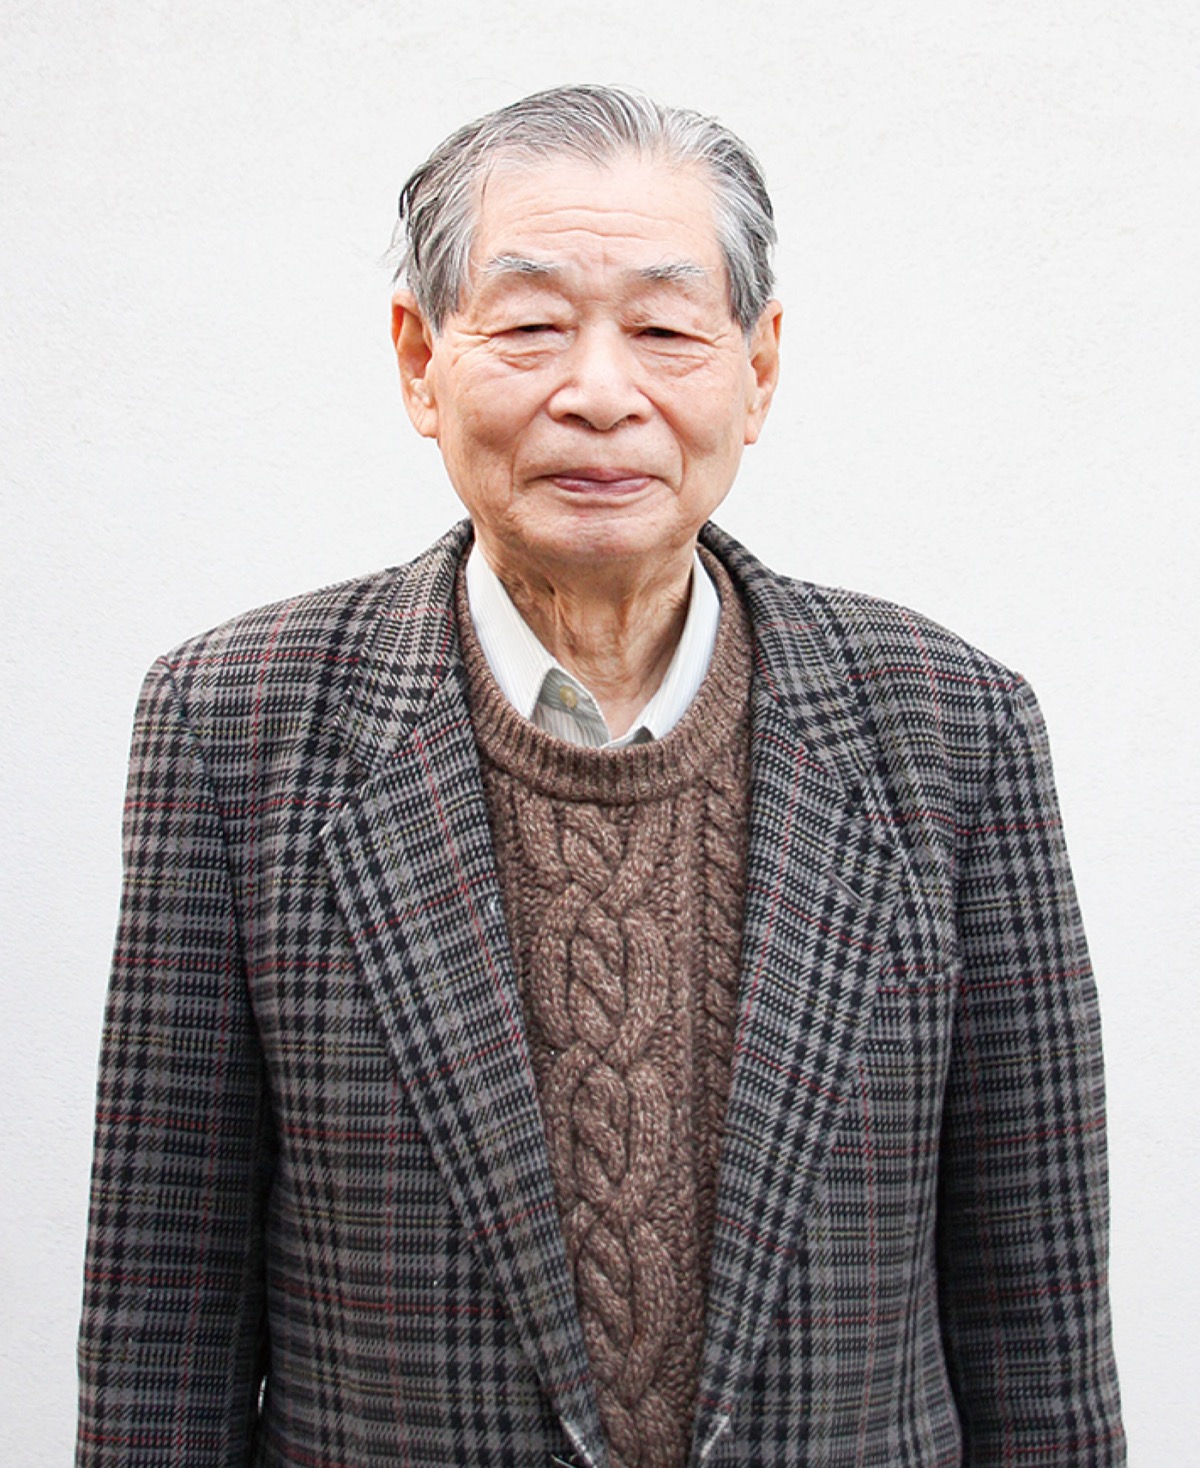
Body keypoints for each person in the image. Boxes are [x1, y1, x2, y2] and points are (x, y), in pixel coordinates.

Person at [76, 85, 1124, 1468]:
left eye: (666, 329)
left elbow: (1037, 1321)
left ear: (757, 369)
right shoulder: (235, 727)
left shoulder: (950, 731)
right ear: (420, 360)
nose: (600, 392)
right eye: (529, 326)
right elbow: (164, 1310)